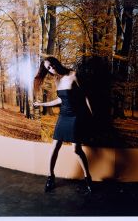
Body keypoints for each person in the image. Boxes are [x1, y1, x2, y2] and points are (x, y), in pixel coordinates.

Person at [33, 56, 93, 193]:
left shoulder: (74, 75)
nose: (51, 68)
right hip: (63, 117)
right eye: (48, 68)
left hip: (75, 116)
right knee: (54, 148)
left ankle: (87, 178)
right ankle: (50, 177)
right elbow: (60, 99)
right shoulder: (57, 80)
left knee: (76, 150)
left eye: (52, 64)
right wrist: (42, 104)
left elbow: (86, 96)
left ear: (56, 62)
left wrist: (92, 115)